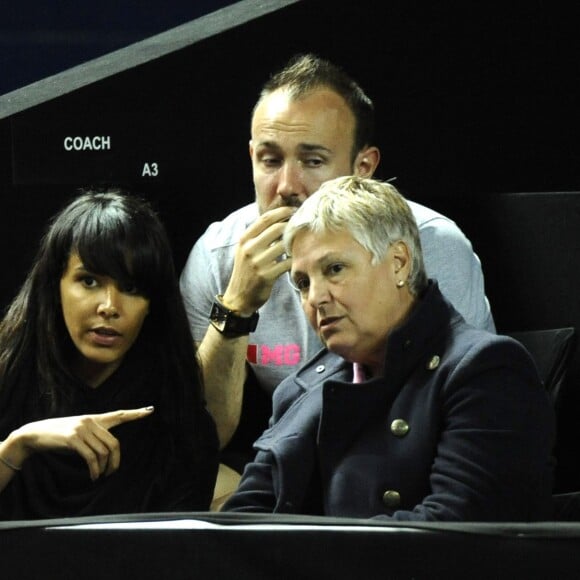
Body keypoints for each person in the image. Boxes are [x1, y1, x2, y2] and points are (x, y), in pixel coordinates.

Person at [180, 53, 495, 469]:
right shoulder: (219, 254)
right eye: (270, 160)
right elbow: (205, 437)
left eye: (312, 161)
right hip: (294, 461)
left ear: (363, 167)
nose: (287, 186)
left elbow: (467, 407)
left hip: (407, 460)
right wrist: (235, 307)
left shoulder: (430, 244)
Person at [223, 176, 555, 520]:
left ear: (399, 262)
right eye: (303, 283)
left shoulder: (485, 370)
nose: (315, 298)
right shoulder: (300, 391)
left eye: (335, 269)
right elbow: (240, 526)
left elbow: (454, 534)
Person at [0, 189, 219, 519]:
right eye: (88, 281)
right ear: (54, 286)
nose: (109, 307)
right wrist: (20, 445)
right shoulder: (8, 380)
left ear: (152, 306)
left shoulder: (181, 424)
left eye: (130, 288)